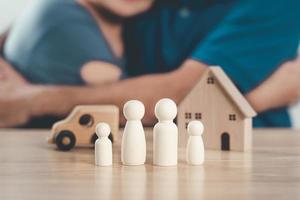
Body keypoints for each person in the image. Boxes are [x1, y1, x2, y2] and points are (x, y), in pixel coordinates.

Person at [0, 0, 299, 128]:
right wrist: (257, 99)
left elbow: (183, 91)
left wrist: (30, 100)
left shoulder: (273, 4)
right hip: (138, 155)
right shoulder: (141, 7)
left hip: (239, 159)